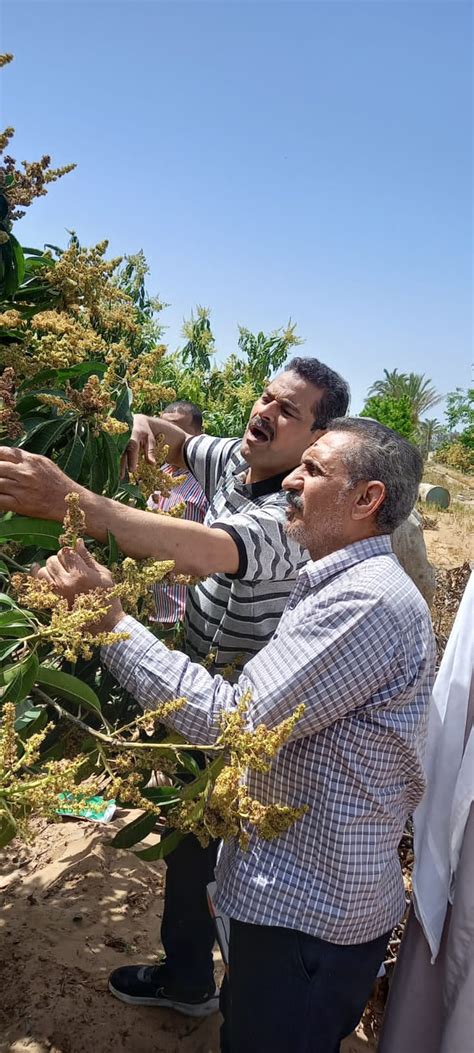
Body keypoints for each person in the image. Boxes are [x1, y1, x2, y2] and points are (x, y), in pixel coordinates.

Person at [35, 417, 437, 1053]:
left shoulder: (366, 603)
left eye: (313, 470)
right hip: (294, 901)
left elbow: (234, 723)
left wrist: (111, 621)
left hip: (310, 919)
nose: (291, 483)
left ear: (367, 500)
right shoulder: (337, 581)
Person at [0, 356, 351, 1015]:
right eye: (267, 396)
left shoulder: (298, 514)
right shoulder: (230, 458)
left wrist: (68, 497)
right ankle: (192, 973)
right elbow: (173, 439)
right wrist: (134, 421)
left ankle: (238, 989)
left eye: (288, 411)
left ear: (315, 441)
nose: (265, 412)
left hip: (243, 712)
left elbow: (204, 549)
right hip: (189, 682)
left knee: (220, 848)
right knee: (190, 841)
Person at [147, 400, 208, 628]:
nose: (167, 438)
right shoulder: (157, 475)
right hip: (149, 607)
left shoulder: (207, 484)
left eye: (178, 431)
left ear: (200, 435)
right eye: (162, 430)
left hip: (183, 615)